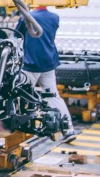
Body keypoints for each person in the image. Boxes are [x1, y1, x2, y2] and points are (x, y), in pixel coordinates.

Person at [16, 7, 76, 142]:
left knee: (21, 97)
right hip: (48, 63)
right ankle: (68, 130)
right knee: (53, 96)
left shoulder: (27, 16)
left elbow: (16, 36)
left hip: (30, 64)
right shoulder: (55, 17)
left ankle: (21, 130)